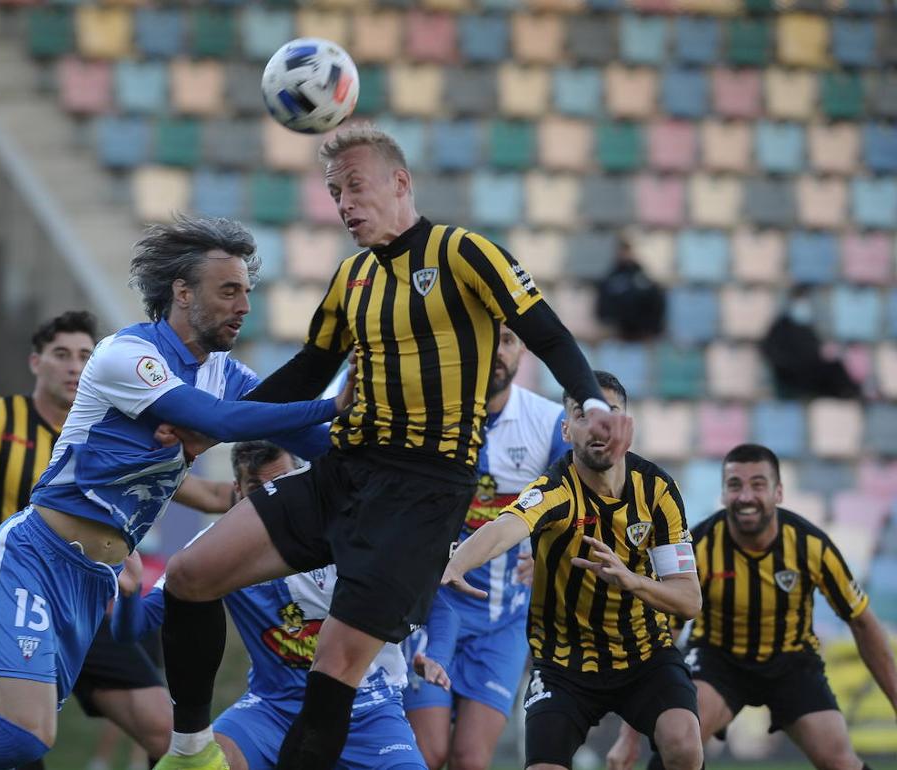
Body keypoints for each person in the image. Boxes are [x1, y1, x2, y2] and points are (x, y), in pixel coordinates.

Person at [153, 123, 621, 770]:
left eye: (355, 186)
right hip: (343, 472)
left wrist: (591, 401)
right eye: (333, 192)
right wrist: (214, 424)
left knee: (334, 666)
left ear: (401, 183)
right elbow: (308, 373)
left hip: (423, 495)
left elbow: (548, 332)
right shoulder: (352, 278)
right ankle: (190, 752)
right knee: (190, 576)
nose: (343, 204)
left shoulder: (464, 253)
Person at [0, 214, 351, 770]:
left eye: (247, 293)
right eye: (228, 291)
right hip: (35, 558)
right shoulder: (127, 355)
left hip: (92, 582)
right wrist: (333, 402)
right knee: (24, 736)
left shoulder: (223, 371)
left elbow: (294, 430)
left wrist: (378, 455)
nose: (244, 307)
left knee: (4, 742)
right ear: (183, 293)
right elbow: (225, 420)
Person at [0, 310, 172, 770]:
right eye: (61, 355)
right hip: (17, 596)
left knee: (165, 728)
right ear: (36, 362)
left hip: (88, 603)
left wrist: (247, 499)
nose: (75, 367)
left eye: (85, 356)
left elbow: (187, 488)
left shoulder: (110, 430)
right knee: (16, 746)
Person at [113, 441, 447, 770]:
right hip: (272, 712)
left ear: (303, 481)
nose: (273, 502)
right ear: (238, 492)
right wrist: (128, 594)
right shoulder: (211, 555)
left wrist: (438, 655)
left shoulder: (358, 536)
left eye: (282, 485)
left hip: (369, 713)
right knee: (210, 764)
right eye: (258, 490)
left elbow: (443, 604)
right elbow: (132, 630)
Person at [441, 371, 704, 770]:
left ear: (626, 425)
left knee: (683, 742)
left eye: (609, 414)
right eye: (583, 415)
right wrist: (456, 564)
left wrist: (631, 580)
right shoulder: (554, 489)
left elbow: (689, 600)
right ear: (566, 429)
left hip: (644, 656)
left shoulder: (657, 490)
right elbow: (503, 528)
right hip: (564, 664)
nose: (598, 426)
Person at [605, 443, 897, 770]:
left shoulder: (810, 545)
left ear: (778, 493)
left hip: (792, 660)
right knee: (677, 743)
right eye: (735, 485)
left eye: (758, 485)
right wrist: (628, 738)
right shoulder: (699, 545)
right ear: (724, 494)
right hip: (719, 660)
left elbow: (863, 623)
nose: (745, 496)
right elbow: (661, 639)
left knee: (840, 760)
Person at [402, 324, 571, 770]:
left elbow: (578, 502)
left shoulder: (547, 422)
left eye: (509, 339)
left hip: (503, 621)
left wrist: (547, 548)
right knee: (428, 754)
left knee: (472, 760)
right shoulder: (427, 417)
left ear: (523, 352)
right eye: (483, 335)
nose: (496, 350)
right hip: (430, 609)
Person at [760, 285, 862, 399]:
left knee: (835, 366)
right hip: (790, 376)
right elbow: (771, 352)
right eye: (800, 301)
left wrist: (823, 353)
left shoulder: (808, 327)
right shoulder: (781, 327)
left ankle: (852, 395)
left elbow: (815, 351)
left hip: (811, 375)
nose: (804, 306)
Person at [593, 237, 666, 342]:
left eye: (627, 251)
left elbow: (654, 299)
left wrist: (652, 328)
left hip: (642, 331)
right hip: (619, 332)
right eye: (622, 251)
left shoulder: (642, 275)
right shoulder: (610, 278)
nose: (625, 254)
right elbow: (603, 307)